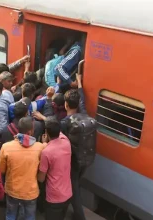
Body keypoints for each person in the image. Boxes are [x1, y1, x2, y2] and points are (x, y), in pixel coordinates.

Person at [0, 116, 46, 220]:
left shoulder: (6, 147)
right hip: (31, 192)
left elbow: (1, 170)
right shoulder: (40, 147)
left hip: (12, 190)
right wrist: (45, 142)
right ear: (30, 131)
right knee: (30, 216)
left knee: (10, 215)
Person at [60, 73, 87, 220]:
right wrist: (79, 82)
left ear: (65, 105)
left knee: (74, 188)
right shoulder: (84, 115)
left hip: (72, 161)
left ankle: (80, 216)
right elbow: (82, 99)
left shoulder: (65, 122)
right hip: (85, 158)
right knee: (76, 183)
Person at [37, 117, 72, 220]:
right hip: (67, 194)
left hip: (54, 198)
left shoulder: (46, 152)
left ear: (46, 132)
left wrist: (43, 144)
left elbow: (41, 178)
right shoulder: (66, 141)